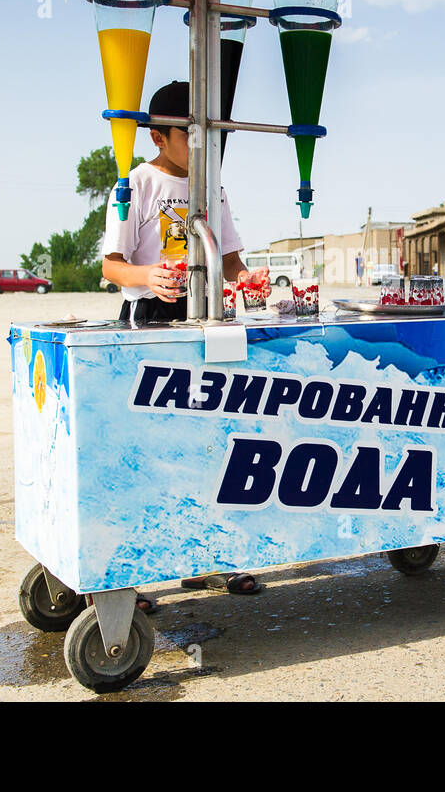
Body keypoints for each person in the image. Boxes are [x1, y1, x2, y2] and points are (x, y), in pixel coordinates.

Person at [101, 79, 266, 606]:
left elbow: (233, 259)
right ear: (158, 136)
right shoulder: (136, 183)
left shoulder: (213, 188)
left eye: (211, 135)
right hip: (150, 320)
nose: (204, 146)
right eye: (192, 134)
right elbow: (112, 266)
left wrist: (248, 279)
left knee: (217, 439)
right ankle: (132, 576)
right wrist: (150, 277)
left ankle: (212, 560)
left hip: (208, 323)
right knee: (149, 445)